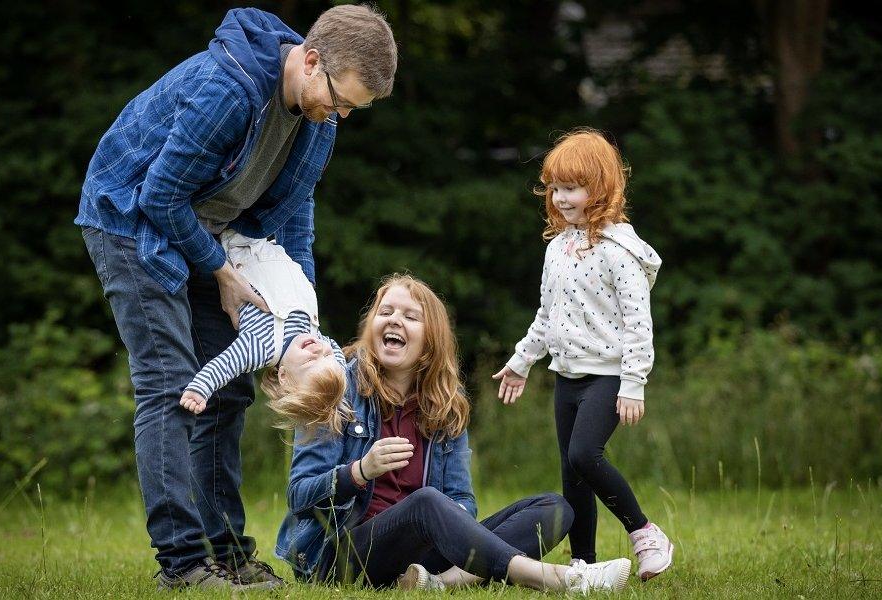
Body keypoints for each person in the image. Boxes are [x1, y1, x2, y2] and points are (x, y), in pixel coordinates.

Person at [75, 5, 397, 590]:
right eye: (340, 99)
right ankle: (181, 563)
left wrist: (298, 299)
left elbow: (295, 214)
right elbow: (161, 194)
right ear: (312, 59)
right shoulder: (229, 89)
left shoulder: (317, 124)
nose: (341, 115)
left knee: (229, 395)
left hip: (212, 237)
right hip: (131, 221)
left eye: (355, 109)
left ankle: (225, 553)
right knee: (173, 384)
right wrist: (220, 271)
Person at [275, 274, 632, 594]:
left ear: (429, 343)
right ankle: (555, 578)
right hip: (343, 559)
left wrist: (455, 521)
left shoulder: (446, 407)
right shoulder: (336, 387)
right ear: (371, 326)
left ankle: (441, 582)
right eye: (386, 312)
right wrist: (359, 471)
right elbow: (298, 495)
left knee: (555, 508)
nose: (395, 320)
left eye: (410, 317)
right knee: (427, 502)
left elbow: (462, 498)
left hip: (420, 554)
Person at [493, 128, 674, 581]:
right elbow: (547, 315)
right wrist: (522, 360)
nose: (560, 198)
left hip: (609, 375)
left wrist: (634, 382)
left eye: (571, 188)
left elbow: (638, 323)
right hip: (567, 376)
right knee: (571, 473)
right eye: (554, 188)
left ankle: (645, 533)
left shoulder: (619, 251)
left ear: (600, 189)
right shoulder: (557, 249)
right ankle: (584, 564)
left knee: (584, 456)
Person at [179, 230, 350, 435]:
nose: (318, 350)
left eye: (310, 362)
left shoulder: (262, 347)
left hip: (237, 239)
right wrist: (338, 391)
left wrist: (200, 390)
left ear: (284, 376)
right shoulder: (315, 337)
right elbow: (339, 362)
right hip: (268, 237)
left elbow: (225, 366)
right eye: (327, 354)